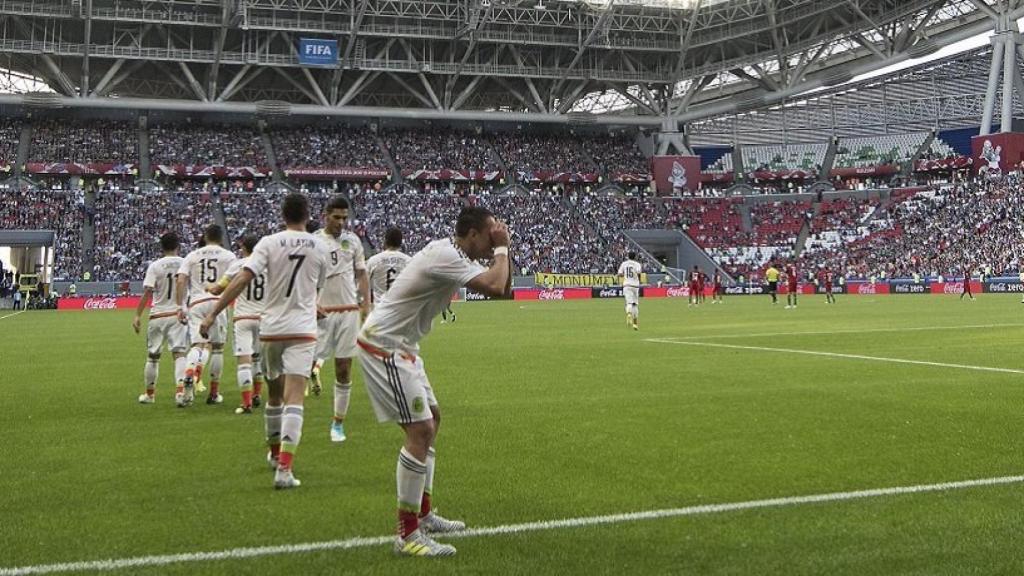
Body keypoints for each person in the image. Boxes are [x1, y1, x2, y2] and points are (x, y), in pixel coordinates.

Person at [356, 206, 512, 557]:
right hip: (386, 345)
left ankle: (422, 515)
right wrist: (502, 249)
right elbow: (494, 284)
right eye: (489, 236)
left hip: (403, 346)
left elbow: (504, 290)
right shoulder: (447, 255)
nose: (492, 242)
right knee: (420, 430)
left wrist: (504, 249)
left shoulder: (451, 252)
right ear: (472, 234)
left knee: (432, 419)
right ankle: (407, 534)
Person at [200, 193, 331, 490]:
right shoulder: (320, 247)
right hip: (302, 329)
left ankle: (274, 454)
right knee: (295, 396)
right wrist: (314, 307)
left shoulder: (269, 243)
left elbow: (243, 278)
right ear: (307, 215)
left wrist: (212, 314)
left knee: (274, 395)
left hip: (271, 328)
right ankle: (285, 469)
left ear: (282, 215)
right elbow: (314, 287)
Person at [309, 195, 370, 443]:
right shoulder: (313, 241)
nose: (341, 222)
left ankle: (338, 424)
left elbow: (362, 274)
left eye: (345, 218)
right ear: (326, 215)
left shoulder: (353, 241)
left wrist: (366, 304)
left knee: (344, 368)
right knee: (302, 365)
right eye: (337, 217)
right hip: (321, 311)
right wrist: (310, 303)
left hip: (347, 310)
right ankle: (289, 418)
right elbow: (306, 275)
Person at [176, 224, 237, 407]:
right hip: (218, 301)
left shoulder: (192, 256)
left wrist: (180, 306)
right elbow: (236, 280)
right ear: (221, 238)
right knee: (217, 348)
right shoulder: (228, 256)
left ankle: (189, 373)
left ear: (205, 236)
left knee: (197, 345)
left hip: (196, 302)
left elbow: (180, 280)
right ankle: (214, 393)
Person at [209, 235, 267, 415]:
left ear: (243, 248)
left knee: (244, 359)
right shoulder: (269, 264)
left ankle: (246, 402)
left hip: (243, 317)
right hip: (264, 317)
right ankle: (257, 394)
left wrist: (208, 288)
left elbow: (220, 288)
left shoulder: (238, 265)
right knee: (257, 359)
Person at [132, 232, 187, 404]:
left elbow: (148, 291)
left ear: (161, 248)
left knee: (152, 357)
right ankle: (180, 393)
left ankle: (149, 394)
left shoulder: (155, 266)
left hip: (157, 314)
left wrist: (137, 315)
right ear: (178, 246)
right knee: (179, 354)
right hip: (177, 314)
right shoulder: (185, 263)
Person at [366, 227, 412, 305]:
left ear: (385, 241)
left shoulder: (373, 260)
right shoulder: (409, 261)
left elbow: (363, 285)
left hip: (380, 310)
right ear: (400, 243)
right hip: (401, 310)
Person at [617, 252, 642, 330]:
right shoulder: (637, 264)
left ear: (628, 256)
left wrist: (625, 275)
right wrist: (639, 280)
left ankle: (628, 314)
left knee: (629, 303)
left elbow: (619, 274)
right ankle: (635, 324)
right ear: (635, 257)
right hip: (635, 285)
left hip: (627, 285)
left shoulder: (624, 264)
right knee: (635, 304)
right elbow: (639, 272)